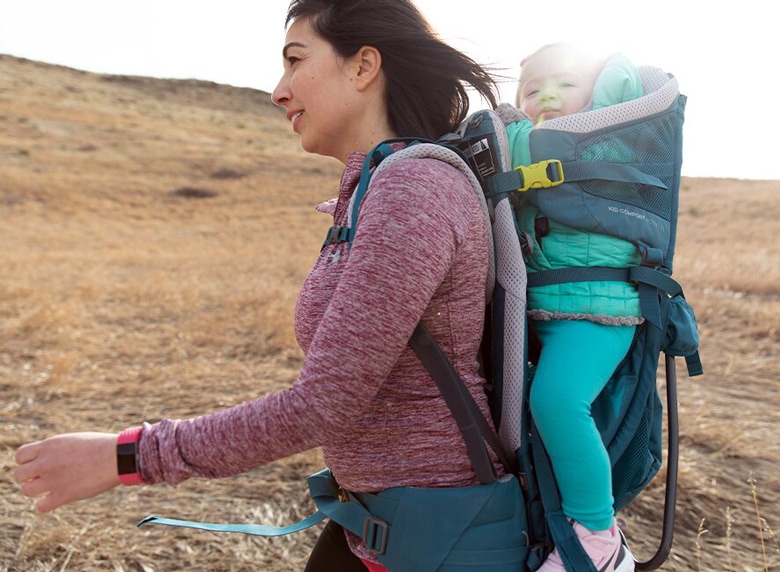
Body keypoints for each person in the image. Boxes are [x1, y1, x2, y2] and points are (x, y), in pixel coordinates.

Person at [13, 1, 507, 570]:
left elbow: (322, 403)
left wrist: (126, 456)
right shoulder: (378, 185)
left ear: (363, 66)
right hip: (377, 520)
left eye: (296, 60)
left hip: (441, 534)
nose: (278, 91)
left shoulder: (414, 188)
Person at [500, 43, 645, 572]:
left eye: (566, 83)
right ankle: (551, 522)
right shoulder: (540, 144)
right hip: (539, 308)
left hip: (596, 312)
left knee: (558, 402)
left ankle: (599, 540)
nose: (548, 97)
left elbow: (624, 84)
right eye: (532, 89)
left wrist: (609, 65)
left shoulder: (612, 141)